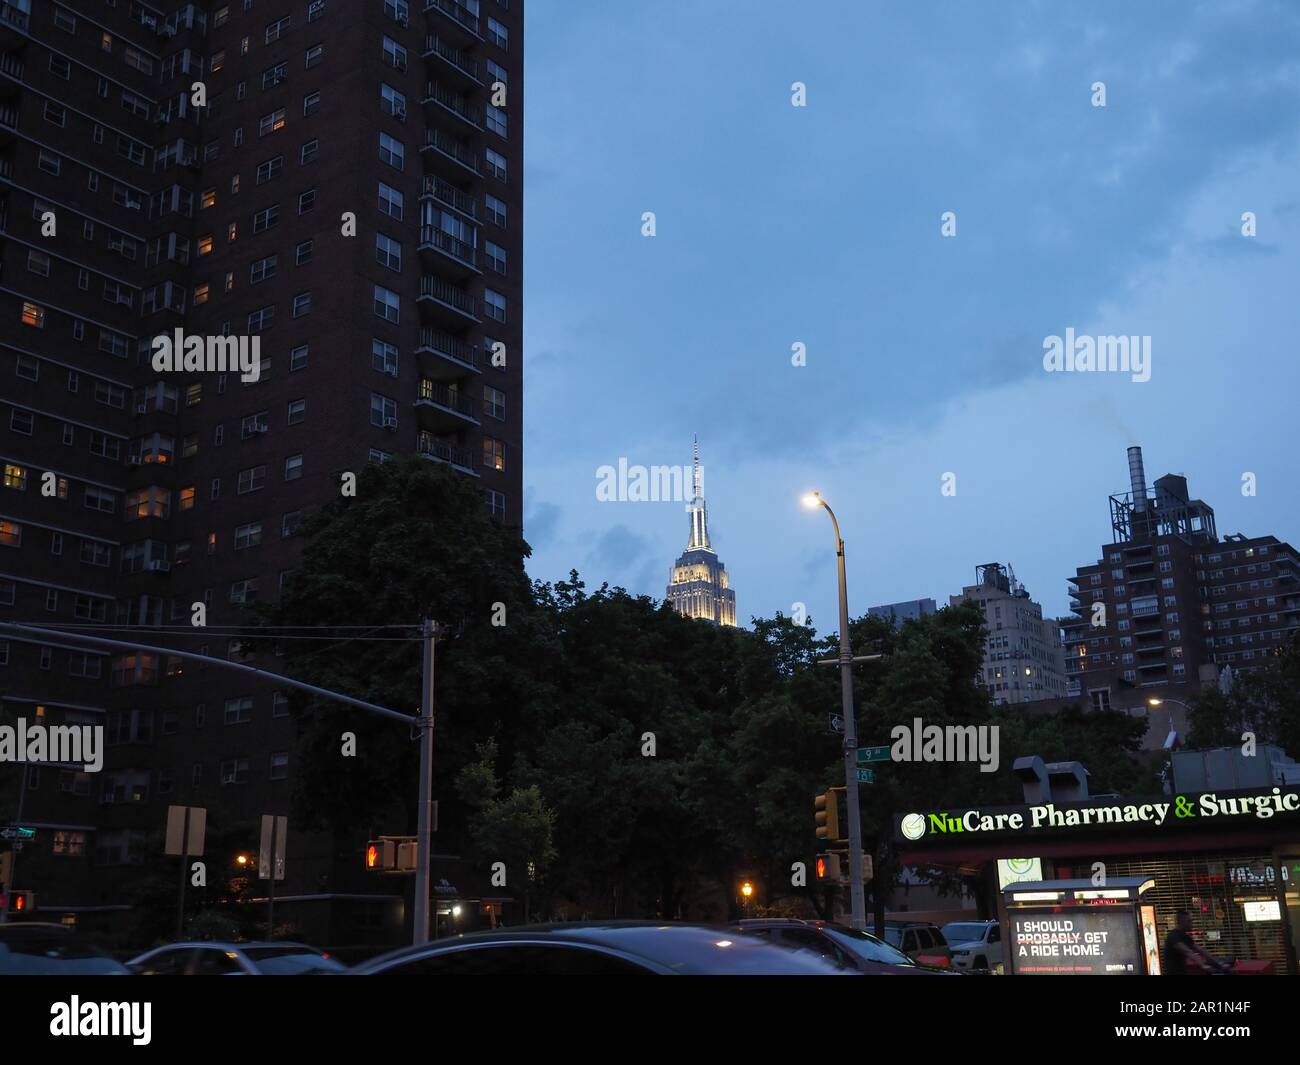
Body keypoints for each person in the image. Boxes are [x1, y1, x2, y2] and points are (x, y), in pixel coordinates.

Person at [1163, 910, 1229, 974]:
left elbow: (1201, 950)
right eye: (1189, 921)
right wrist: (1203, 965)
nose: (1192, 924)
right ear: (1181, 922)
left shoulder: (1184, 936)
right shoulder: (1173, 936)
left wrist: (1220, 964)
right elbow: (1188, 952)